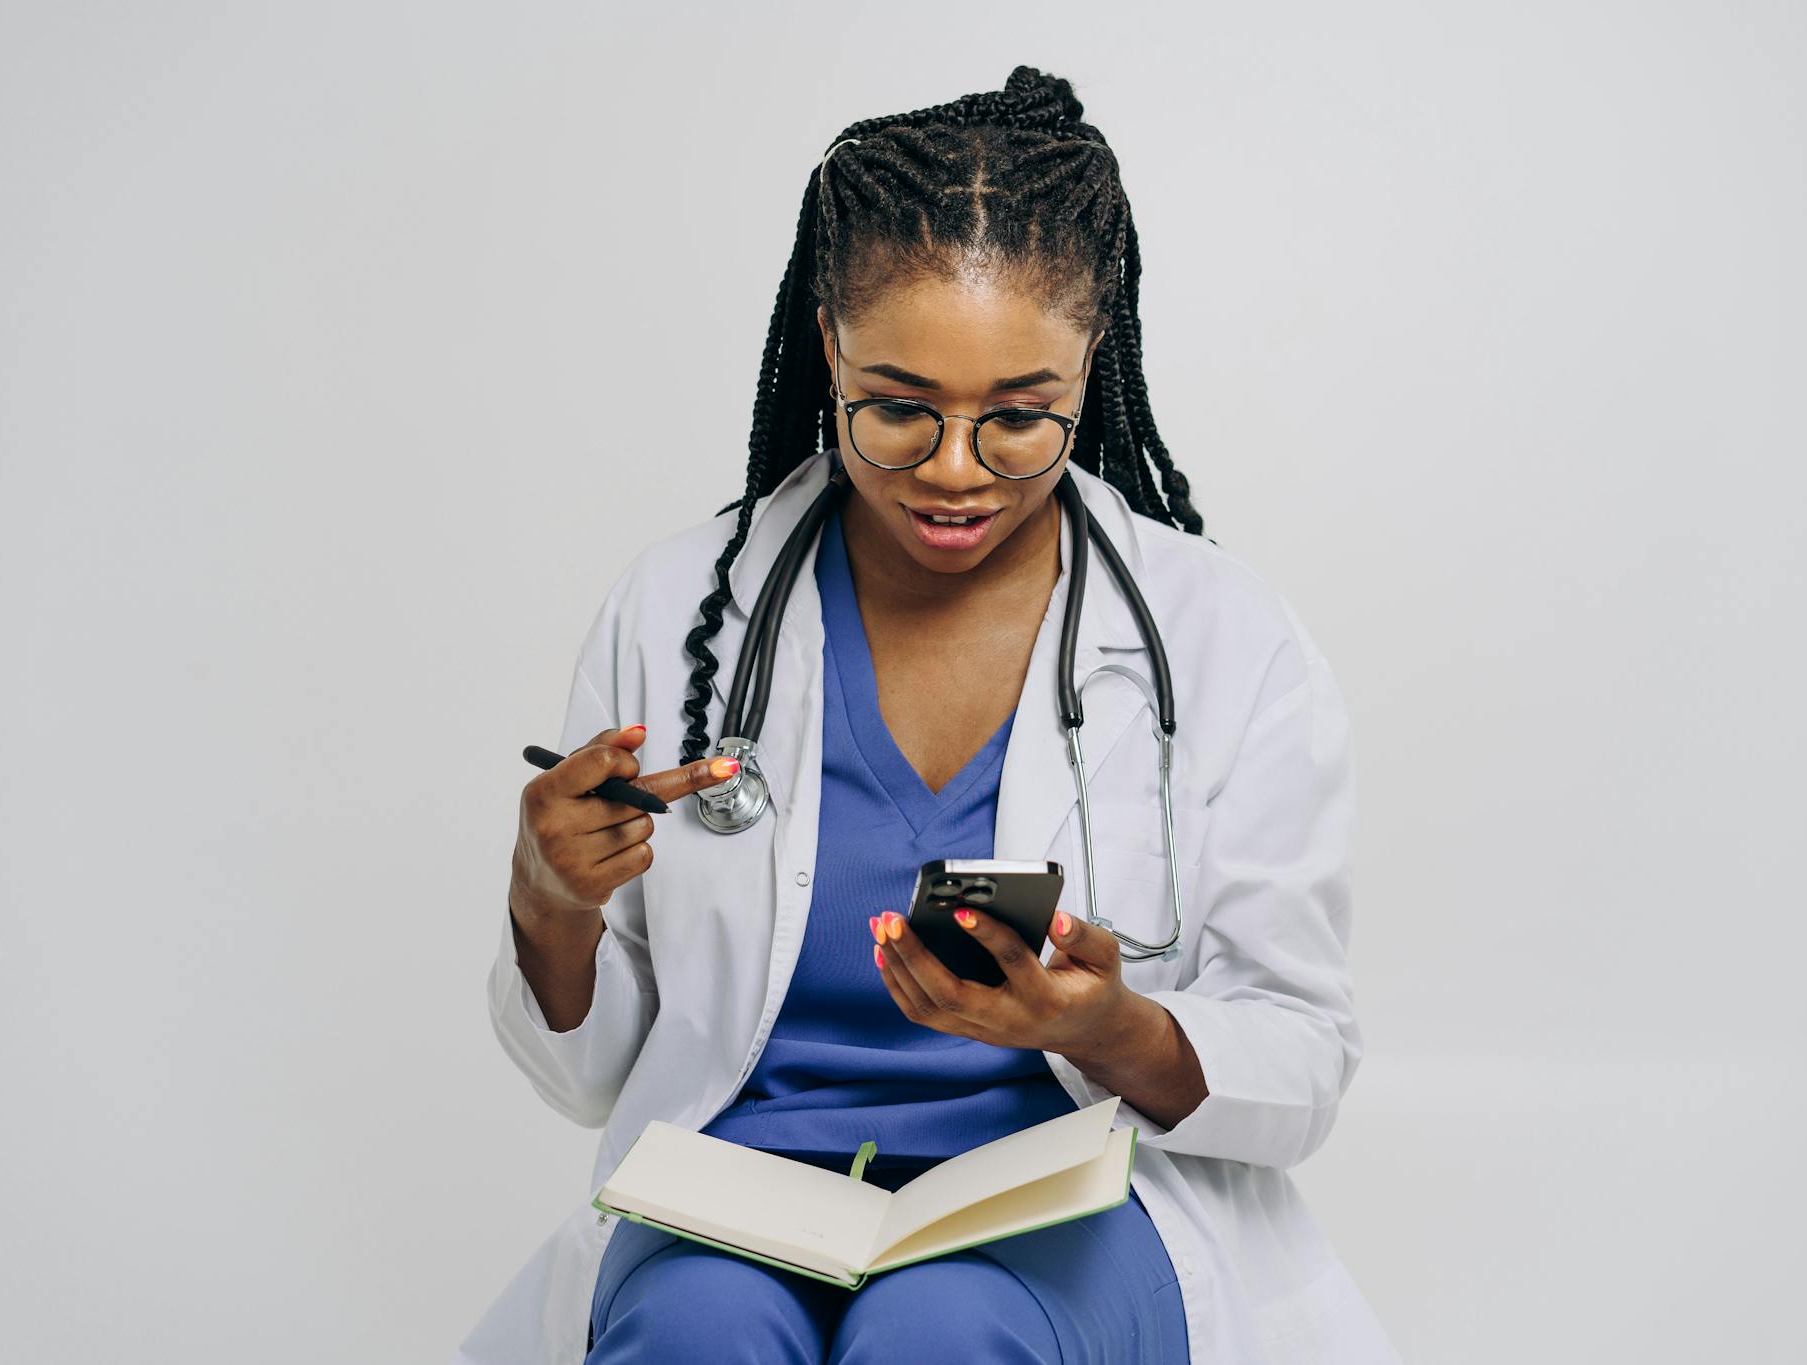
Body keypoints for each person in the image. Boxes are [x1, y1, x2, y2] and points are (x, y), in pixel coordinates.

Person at [459, 67, 1400, 1365]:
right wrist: (549, 896)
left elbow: (1300, 1059)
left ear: (1093, 360)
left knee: (940, 1335)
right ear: (829, 345)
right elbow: (589, 1073)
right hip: (734, 1199)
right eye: (898, 406)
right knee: (691, 1334)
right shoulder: (679, 609)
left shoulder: (1224, 641)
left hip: (1061, 1201)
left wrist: (1105, 1027)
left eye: (1019, 418)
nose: (955, 470)